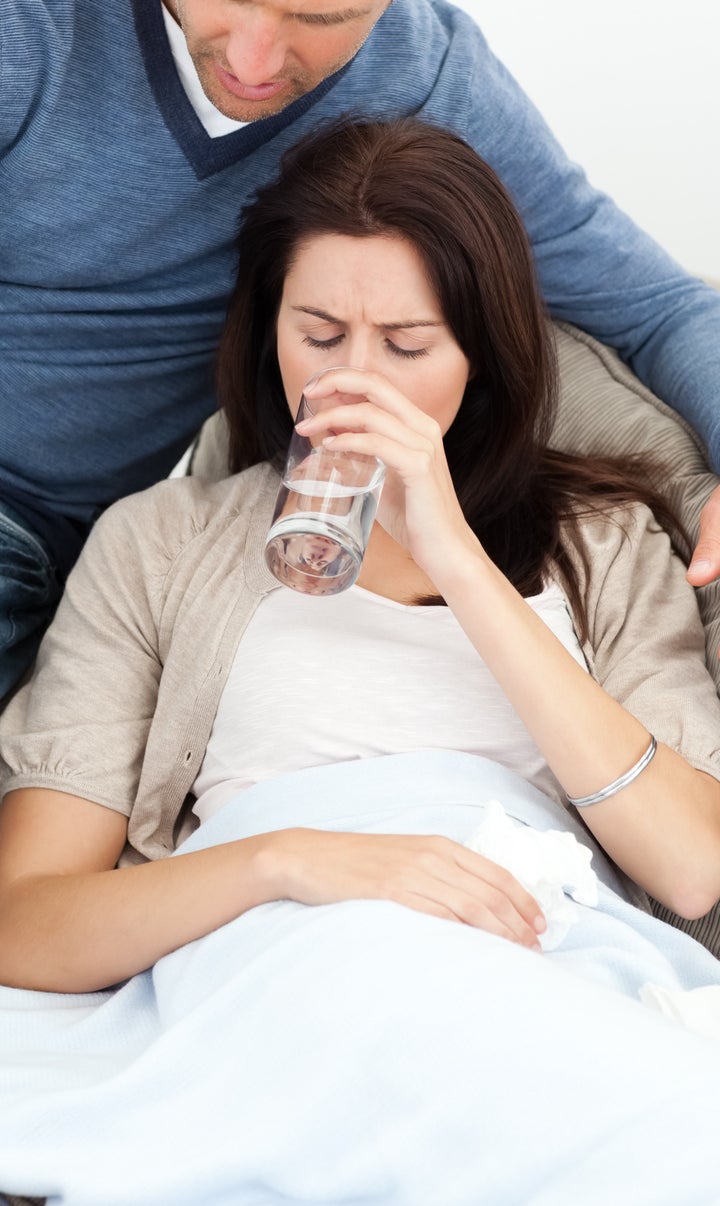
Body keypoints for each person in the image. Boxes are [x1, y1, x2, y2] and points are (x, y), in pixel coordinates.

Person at [2, 116, 720, 1205]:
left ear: (481, 354)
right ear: (268, 331)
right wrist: (291, 862)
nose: (353, 381)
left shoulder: (604, 541)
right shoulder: (162, 541)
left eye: (407, 345)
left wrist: (455, 554)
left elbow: (691, 866)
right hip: (286, 957)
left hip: (532, 952)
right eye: (319, 333)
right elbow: (24, 922)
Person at [2, 0, 720, 705]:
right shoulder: (28, 31)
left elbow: (662, 306)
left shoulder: (429, 77)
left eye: (317, 20)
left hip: (36, 534)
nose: (253, 61)